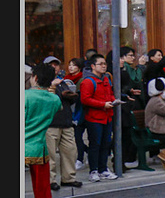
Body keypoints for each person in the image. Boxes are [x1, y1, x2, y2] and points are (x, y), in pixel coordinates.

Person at [26, 64, 63, 198]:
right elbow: (58, 107)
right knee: (42, 187)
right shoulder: (54, 99)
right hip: (39, 147)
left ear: (34, 77)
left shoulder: (25, 96)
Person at [79, 53, 118, 182]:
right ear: (92, 66)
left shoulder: (106, 79)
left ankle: (103, 169)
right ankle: (93, 170)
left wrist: (114, 101)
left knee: (106, 144)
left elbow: (110, 94)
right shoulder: (88, 81)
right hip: (94, 118)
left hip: (107, 117)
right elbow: (85, 100)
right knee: (95, 144)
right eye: (100, 64)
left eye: (105, 64)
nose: (103, 66)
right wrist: (103, 104)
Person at [46, 65, 82, 190]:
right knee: (50, 154)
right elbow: (46, 101)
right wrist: (52, 86)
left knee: (70, 151)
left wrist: (70, 96)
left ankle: (69, 178)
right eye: (52, 65)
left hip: (66, 121)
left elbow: (69, 100)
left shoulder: (63, 82)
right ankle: (50, 180)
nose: (55, 68)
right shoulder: (42, 83)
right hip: (51, 123)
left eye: (57, 65)